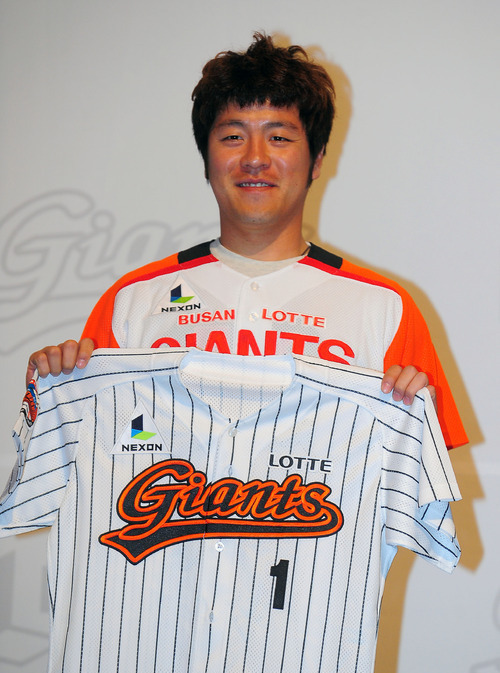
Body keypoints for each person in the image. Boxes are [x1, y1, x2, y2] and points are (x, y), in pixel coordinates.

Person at [25, 32, 467, 449]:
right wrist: (58, 383)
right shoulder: (132, 301)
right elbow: (89, 455)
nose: (255, 158)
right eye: (233, 137)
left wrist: (416, 421)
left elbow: (418, 481)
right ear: (206, 158)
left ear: (316, 160)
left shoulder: (384, 307)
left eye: (279, 137)